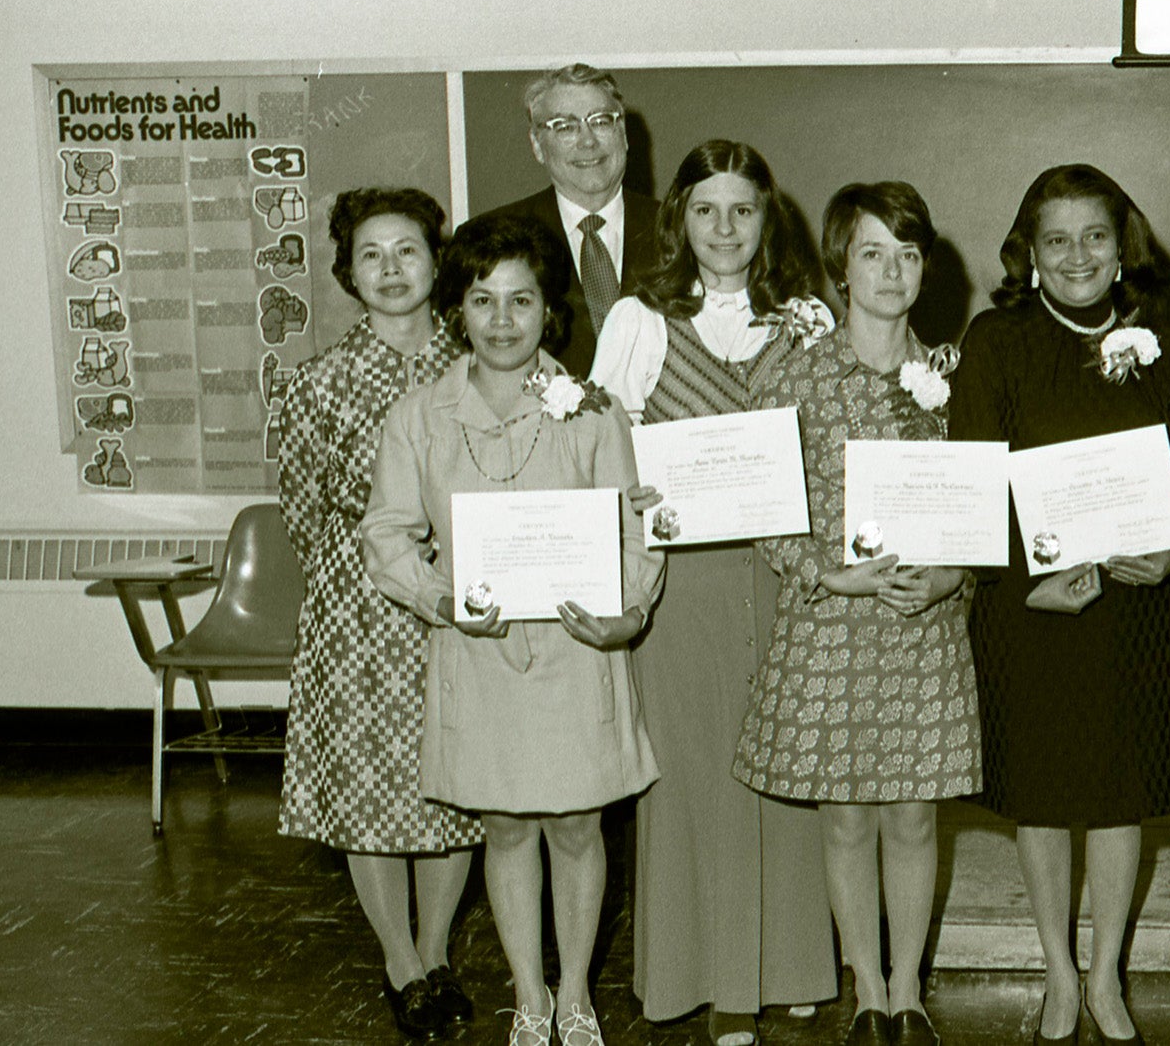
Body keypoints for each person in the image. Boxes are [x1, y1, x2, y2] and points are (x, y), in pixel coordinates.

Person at [361, 215, 664, 1046]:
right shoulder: (418, 416)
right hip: (480, 649)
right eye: (483, 299)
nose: (502, 319)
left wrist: (626, 612)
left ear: (547, 309)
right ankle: (530, 997)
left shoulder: (591, 411)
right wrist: (441, 597)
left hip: (575, 650)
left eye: (521, 299)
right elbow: (386, 533)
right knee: (506, 827)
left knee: (575, 825)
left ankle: (576, 997)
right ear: (458, 308)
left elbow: (639, 527)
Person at [590, 139, 837, 1045]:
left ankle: (799, 963)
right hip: (683, 583)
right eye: (706, 210)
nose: (725, 229)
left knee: (788, 770)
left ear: (768, 219)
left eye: (743, 210)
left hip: (784, 574)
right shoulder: (638, 319)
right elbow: (600, 445)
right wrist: (633, 494)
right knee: (698, 776)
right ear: (678, 220)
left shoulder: (807, 317)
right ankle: (718, 978)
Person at [948, 164, 1170, 1046]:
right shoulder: (995, 338)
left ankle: (1106, 974)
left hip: (1129, 604)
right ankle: (1057, 970)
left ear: (1123, 244)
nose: (1077, 255)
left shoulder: (1161, 341)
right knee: (1046, 797)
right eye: (1056, 239)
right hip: (1031, 607)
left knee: (1120, 793)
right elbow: (973, 478)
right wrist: (1027, 578)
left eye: (1095, 235)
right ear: (1030, 251)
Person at [734, 181, 982, 1046]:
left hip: (923, 621)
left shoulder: (953, 374)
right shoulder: (792, 374)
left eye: (907, 254)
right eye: (872, 252)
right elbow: (762, 509)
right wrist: (823, 574)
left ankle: (909, 987)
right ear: (841, 265)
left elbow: (985, 507)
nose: (891, 270)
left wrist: (953, 575)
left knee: (915, 813)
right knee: (844, 812)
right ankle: (866, 991)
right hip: (831, 622)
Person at [277, 187, 481, 1041]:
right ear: (347, 274)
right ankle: (399, 957)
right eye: (371, 254)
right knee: (372, 788)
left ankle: (437, 950)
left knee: (457, 783)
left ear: (438, 262)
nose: (392, 269)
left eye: (408, 250)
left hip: (465, 601)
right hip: (358, 614)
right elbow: (301, 508)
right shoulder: (316, 382)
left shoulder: (483, 365)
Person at [473, 63, 661, 377]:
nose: (588, 142)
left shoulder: (678, 227)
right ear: (537, 145)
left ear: (623, 134)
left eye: (601, 121)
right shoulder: (493, 237)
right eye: (565, 127)